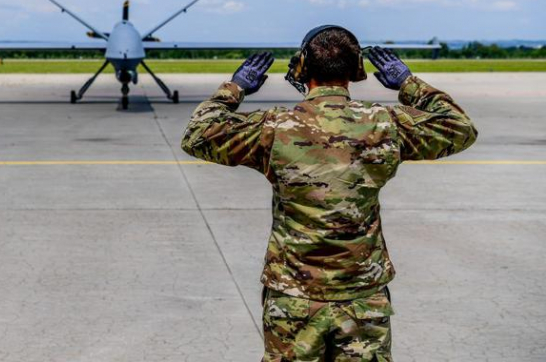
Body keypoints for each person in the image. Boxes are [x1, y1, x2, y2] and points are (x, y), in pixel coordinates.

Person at [181, 26, 478, 361]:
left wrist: (234, 89)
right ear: (355, 72)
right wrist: (408, 83)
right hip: (361, 299)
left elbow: (197, 135)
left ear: (301, 67)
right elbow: (460, 128)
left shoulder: (274, 127)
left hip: (294, 299)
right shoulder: (384, 123)